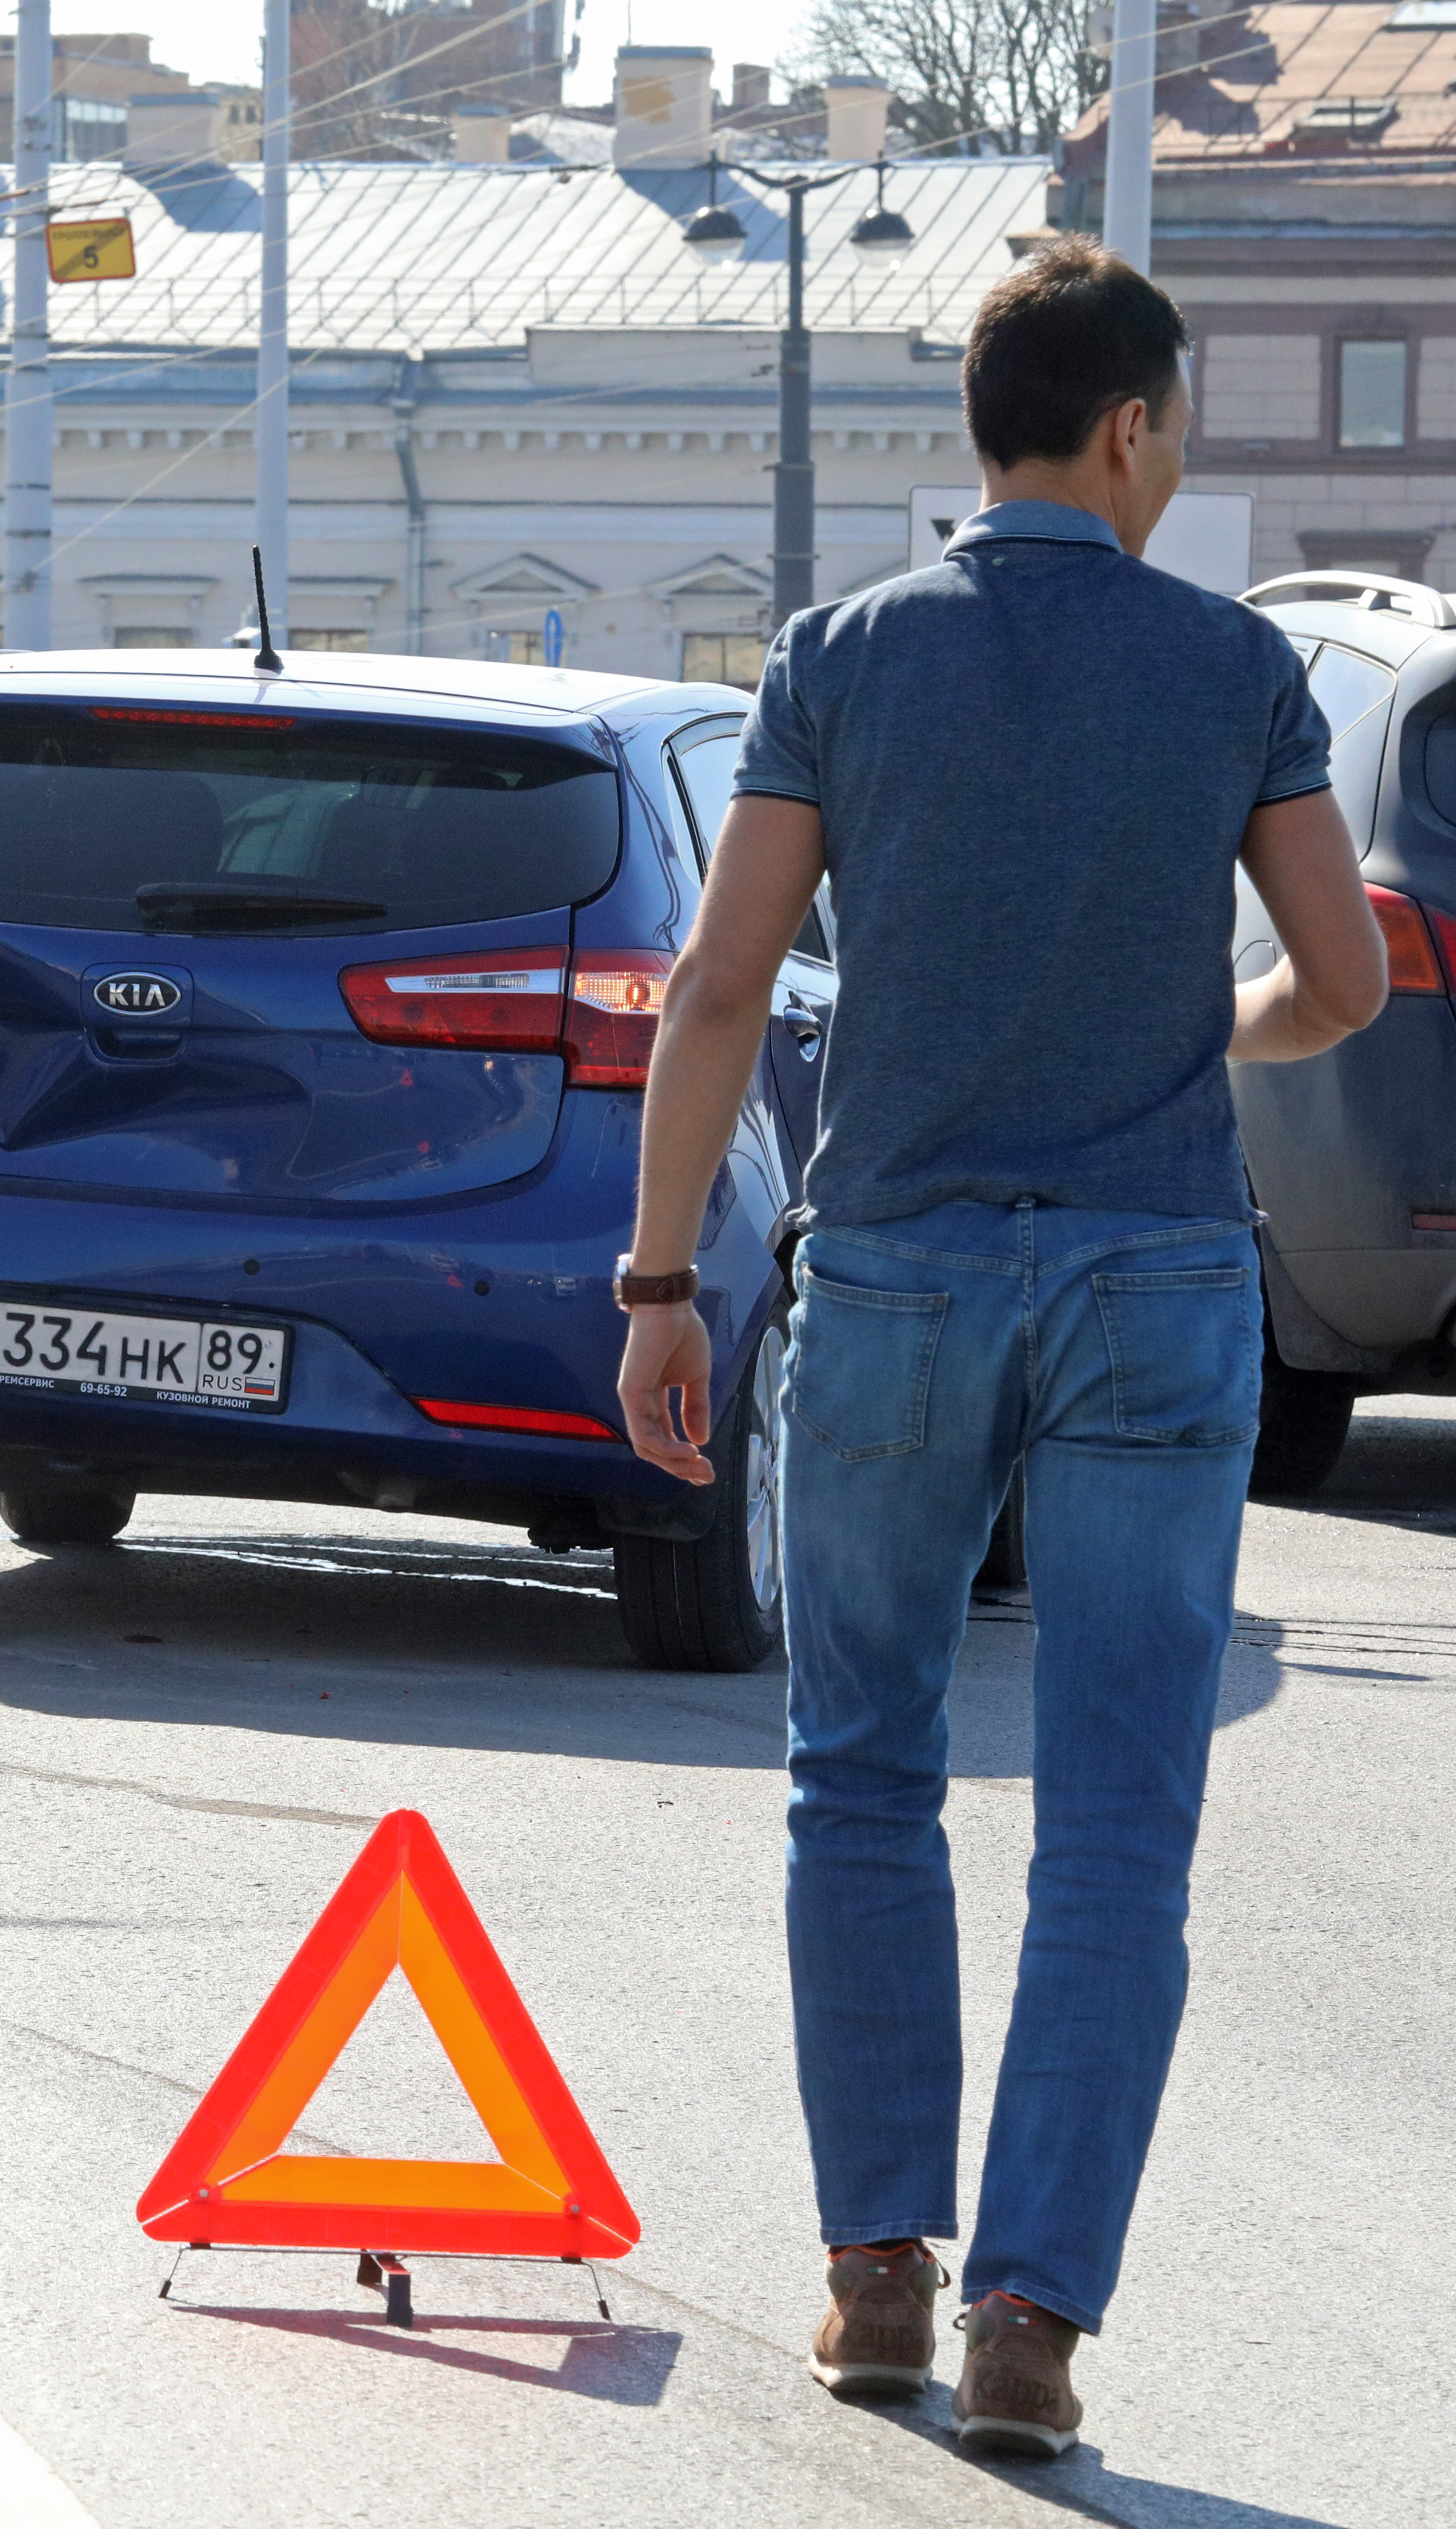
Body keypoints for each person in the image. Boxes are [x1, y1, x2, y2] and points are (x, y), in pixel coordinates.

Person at [614, 241, 1385, 2459]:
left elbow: (719, 993)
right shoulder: (1235, 666)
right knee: (1119, 1818)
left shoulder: (841, 658)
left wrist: (668, 1285)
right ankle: (1036, 2323)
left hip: (898, 1272)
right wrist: (1190, 1030)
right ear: (1130, 426)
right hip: (1155, 1277)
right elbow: (1339, 983)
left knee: (862, 1772)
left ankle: (875, 2279)